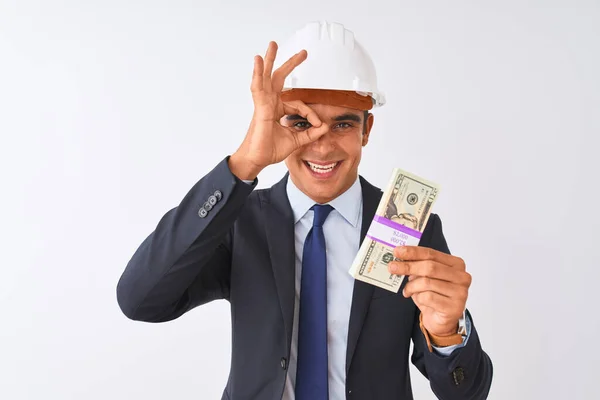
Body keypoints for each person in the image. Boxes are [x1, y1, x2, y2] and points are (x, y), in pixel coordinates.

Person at [116, 21, 493, 400]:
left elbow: (467, 392)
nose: (322, 147)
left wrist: (446, 332)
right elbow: (140, 299)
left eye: (343, 123)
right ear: (276, 124)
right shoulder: (240, 222)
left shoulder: (410, 228)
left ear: (367, 129)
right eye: (301, 123)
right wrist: (244, 163)